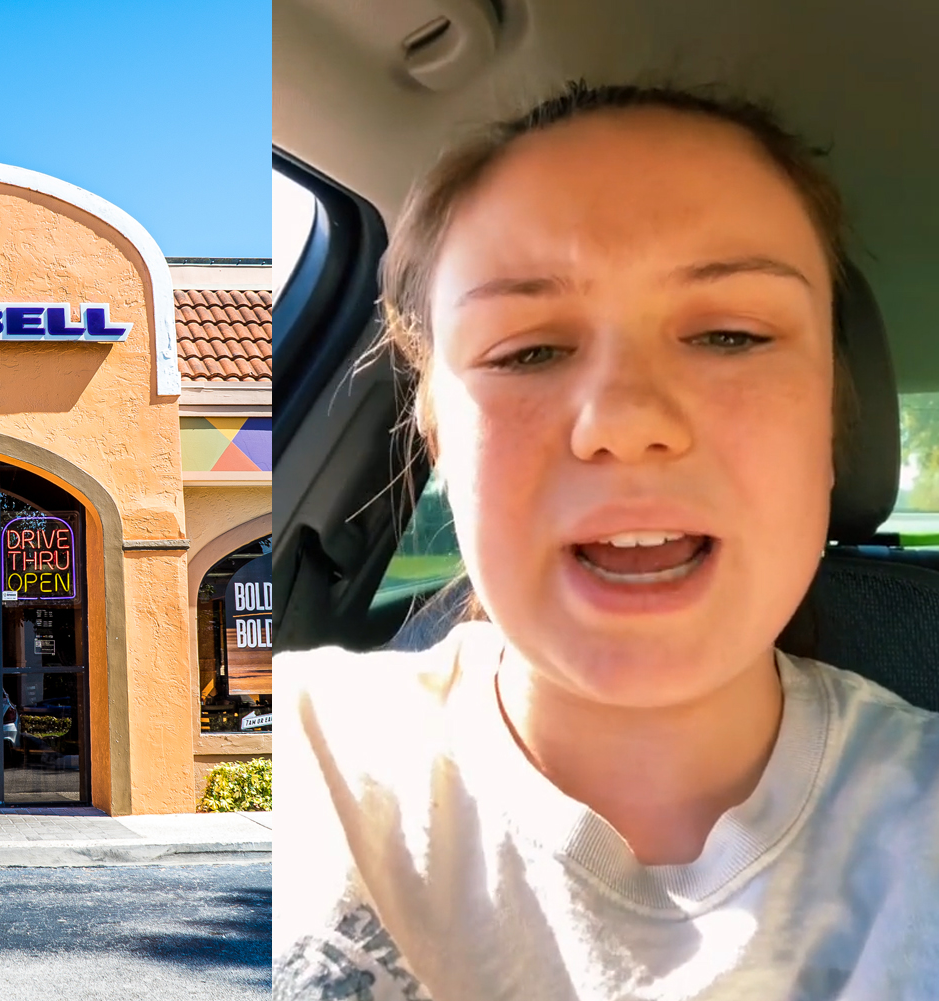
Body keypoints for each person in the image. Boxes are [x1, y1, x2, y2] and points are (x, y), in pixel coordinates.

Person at [271, 82, 939, 999]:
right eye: (528, 351)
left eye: (731, 334)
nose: (625, 420)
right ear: (436, 437)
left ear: (830, 429)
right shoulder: (299, 758)